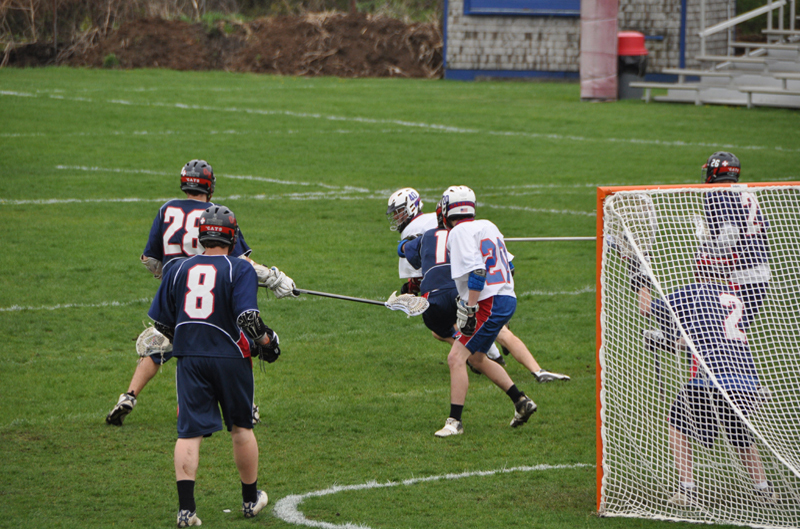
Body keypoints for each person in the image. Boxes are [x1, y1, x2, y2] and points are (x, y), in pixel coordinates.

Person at [106, 159, 296, 426]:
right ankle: (247, 405)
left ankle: (128, 396)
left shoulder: (166, 209)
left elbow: (149, 260)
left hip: (175, 289)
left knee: (163, 343)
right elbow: (242, 263)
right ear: (210, 185)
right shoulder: (216, 213)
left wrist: (168, 275)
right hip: (214, 287)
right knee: (236, 341)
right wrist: (275, 278)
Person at [148, 205, 279, 526]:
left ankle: (186, 510)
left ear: (201, 235)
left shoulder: (177, 268)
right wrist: (268, 342)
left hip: (190, 358)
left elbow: (163, 325)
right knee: (241, 429)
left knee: (189, 434)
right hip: (231, 357)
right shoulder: (240, 269)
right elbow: (248, 319)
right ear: (232, 237)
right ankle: (250, 501)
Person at [640, 268, 778, 506]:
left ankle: (688, 490)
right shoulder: (733, 296)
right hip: (747, 380)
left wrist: (639, 276)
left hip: (712, 379)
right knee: (739, 433)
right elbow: (699, 339)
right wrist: (664, 342)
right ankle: (765, 491)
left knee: (676, 422)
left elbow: (646, 307)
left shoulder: (694, 292)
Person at [399, 200, 569, 383]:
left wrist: (409, 243)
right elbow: (505, 266)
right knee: (500, 331)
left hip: (444, 295)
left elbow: (404, 251)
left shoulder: (430, 236)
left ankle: (481, 358)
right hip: (471, 291)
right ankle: (536, 369)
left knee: (445, 330)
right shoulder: (473, 232)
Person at [432, 185, 537, 437]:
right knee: (477, 358)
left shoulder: (457, 233)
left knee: (456, 357)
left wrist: (470, 307)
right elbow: (509, 265)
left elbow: (478, 273)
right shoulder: (488, 225)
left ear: (447, 210)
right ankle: (521, 402)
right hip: (504, 298)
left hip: (488, 303)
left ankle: (454, 422)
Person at [696, 151, 770, 325]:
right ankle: (667, 340)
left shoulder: (717, 192)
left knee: (717, 333)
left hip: (740, 277)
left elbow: (730, 235)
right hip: (761, 274)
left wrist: (707, 245)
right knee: (723, 333)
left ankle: (667, 339)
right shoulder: (745, 193)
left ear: (715, 172)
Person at [386, 187, 438, 295]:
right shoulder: (433, 217)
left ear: (410, 208)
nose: (395, 217)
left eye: (398, 211)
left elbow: (418, 274)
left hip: (435, 285)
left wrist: (410, 288)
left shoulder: (412, 229)